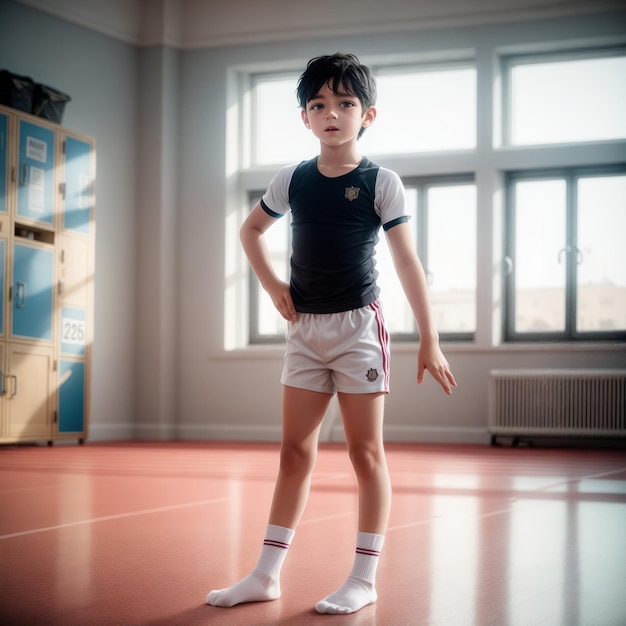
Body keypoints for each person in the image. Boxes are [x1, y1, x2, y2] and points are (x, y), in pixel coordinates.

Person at [207, 52, 456, 615]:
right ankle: (266, 574)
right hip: (305, 330)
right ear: (305, 117)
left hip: (358, 328)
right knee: (295, 451)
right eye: (318, 104)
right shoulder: (292, 178)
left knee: (366, 453)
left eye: (345, 103)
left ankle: (364, 579)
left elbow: (409, 264)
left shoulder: (380, 181)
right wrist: (273, 285)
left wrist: (430, 337)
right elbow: (251, 230)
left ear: (368, 114)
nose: (332, 114)